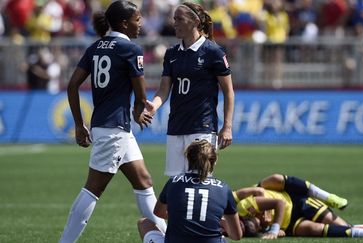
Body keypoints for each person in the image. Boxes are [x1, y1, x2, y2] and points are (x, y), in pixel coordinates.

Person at [59, 1, 166, 242]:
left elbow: (72, 84)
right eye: (138, 20)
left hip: (108, 126)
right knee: (93, 189)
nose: (141, 24)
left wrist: (79, 124)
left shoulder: (96, 47)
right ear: (125, 23)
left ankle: (172, 236)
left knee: (144, 181)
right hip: (114, 128)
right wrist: (140, 110)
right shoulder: (131, 49)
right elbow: (140, 97)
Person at [145, 1, 235, 177]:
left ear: (194, 22)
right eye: (174, 19)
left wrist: (227, 126)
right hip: (176, 127)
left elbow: (228, 91)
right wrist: (154, 106)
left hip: (202, 127)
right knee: (175, 184)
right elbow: (164, 90)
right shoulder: (171, 54)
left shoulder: (213, 52)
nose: (174, 23)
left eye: (179, 19)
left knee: (200, 182)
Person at [138, 140, 243, 243]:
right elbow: (236, 236)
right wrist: (219, 222)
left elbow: (158, 212)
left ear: (188, 159)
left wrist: (181, 218)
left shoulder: (174, 182)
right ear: (214, 161)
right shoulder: (224, 188)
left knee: (144, 223)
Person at [233, 174, 363, 239]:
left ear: (250, 215)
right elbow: (279, 233)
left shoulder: (246, 206)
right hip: (291, 224)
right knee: (315, 230)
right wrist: (276, 230)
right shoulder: (254, 231)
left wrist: (273, 227)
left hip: (296, 202)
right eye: (259, 227)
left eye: (258, 221)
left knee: (276, 178)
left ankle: (328, 197)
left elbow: (277, 202)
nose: (261, 223)